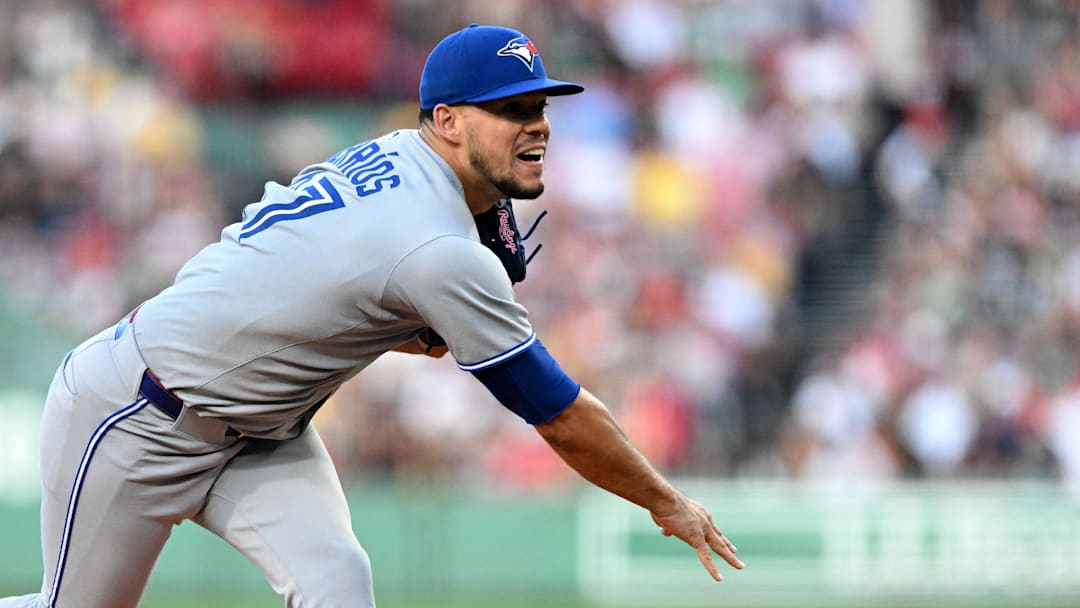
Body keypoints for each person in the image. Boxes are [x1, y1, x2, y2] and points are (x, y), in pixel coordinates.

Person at [1, 23, 743, 608]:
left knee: (337, 587)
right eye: (510, 110)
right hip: (139, 412)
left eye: (540, 107)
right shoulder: (438, 247)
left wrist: (401, 325)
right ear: (448, 120)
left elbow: (316, 275)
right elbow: (559, 416)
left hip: (264, 433)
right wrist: (664, 500)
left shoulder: (394, 155)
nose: (537, 125)